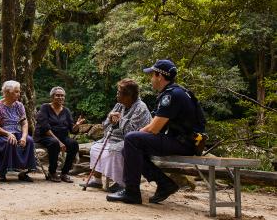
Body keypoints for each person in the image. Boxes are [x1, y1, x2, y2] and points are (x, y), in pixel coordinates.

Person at [107, 59, 206, 204]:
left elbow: (153, 128)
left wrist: (135, 134)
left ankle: (132, 192)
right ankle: (164, 183)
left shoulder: (171, 95)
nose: (151, 79)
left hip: (185, 143)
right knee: (129, 148)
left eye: (152, 75)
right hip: (182, 141)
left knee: (131, 139)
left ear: (159, 76)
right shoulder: (173, 92)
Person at [85, 79, 151, 192]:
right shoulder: (119, 105)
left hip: (134, 141)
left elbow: (133, 132)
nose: (116, 94)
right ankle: (97, 180)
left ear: (128, 95)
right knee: (95, 148)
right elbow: (105, 124)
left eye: (119, 92)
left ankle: (121, 182)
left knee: (115, 151)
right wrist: (110, 118)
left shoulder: (141, 108)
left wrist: (120, 120)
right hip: (114, 138)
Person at [34, 86, 85, 183]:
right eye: (57, 95)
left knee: (73, 144)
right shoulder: (45, 107)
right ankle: (52, 172)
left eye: (62, 96)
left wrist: (77, 125)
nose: (60, 97)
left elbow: (72, 130)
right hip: (45, 136)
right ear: (52, 97)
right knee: (54, 143)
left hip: (62, 136)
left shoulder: (66, 111)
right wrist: (59, 142)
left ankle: (64, 173)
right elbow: (45, 128)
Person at [0, 80, 36, 182]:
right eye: (16, 92)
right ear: (7, 92)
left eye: (19, 91)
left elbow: (24, 123)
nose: (19, 94)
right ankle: (2, 173)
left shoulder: (19, 105)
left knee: (29, 141)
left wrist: (24, 137)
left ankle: (23, 172)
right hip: (1, 133)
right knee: (9, 141)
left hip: (16, 131)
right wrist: (8, 133)